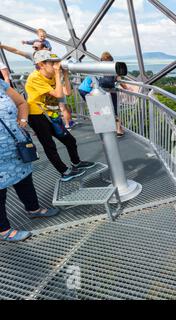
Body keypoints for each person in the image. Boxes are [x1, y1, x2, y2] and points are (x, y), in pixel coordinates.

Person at [0, 79, 59, 242]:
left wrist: (23, 120)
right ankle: (3, 230)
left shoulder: (1, 85)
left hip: (14, 145)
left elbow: (21, 103)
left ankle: (33, 209)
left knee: (24, 178)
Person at [25, 50, 95, 181]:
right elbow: (58, 94)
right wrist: (58, 73)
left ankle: (76, 162)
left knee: (70, 140)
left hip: (51, 114)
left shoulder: (53, 75)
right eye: (52, 63)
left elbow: (67, 92)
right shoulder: (35, 77)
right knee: (49, 145)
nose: (56, 65)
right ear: (41, 64)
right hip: (37, 115)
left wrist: (65, 74)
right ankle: (64, 172)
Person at [98, 52, 128, 137]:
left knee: (104, 110)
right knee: (114, 111)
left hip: (102, 92)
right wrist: (127, 88)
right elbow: (119, 80)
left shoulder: (99, 68)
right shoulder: (113, 67)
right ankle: (118, 130)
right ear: (111, 59)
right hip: (111, 92)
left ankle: (106, 129)